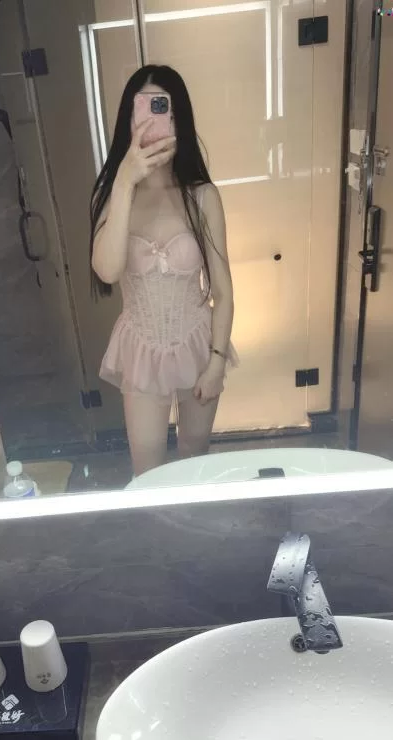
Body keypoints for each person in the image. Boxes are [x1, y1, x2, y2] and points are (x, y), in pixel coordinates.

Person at [90, 65, 236, 477]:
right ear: (129, 120)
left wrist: (216, 363)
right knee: (147, 465)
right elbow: (107, 271)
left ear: (178, 119)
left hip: (198, 343)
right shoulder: (114, 196)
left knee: (195, 454)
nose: (153, 124)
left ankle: (192, 519)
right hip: (140, 348)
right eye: (143, 110)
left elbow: (223, 292)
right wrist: (123, 181)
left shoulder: (202, 197)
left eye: (164, 109)